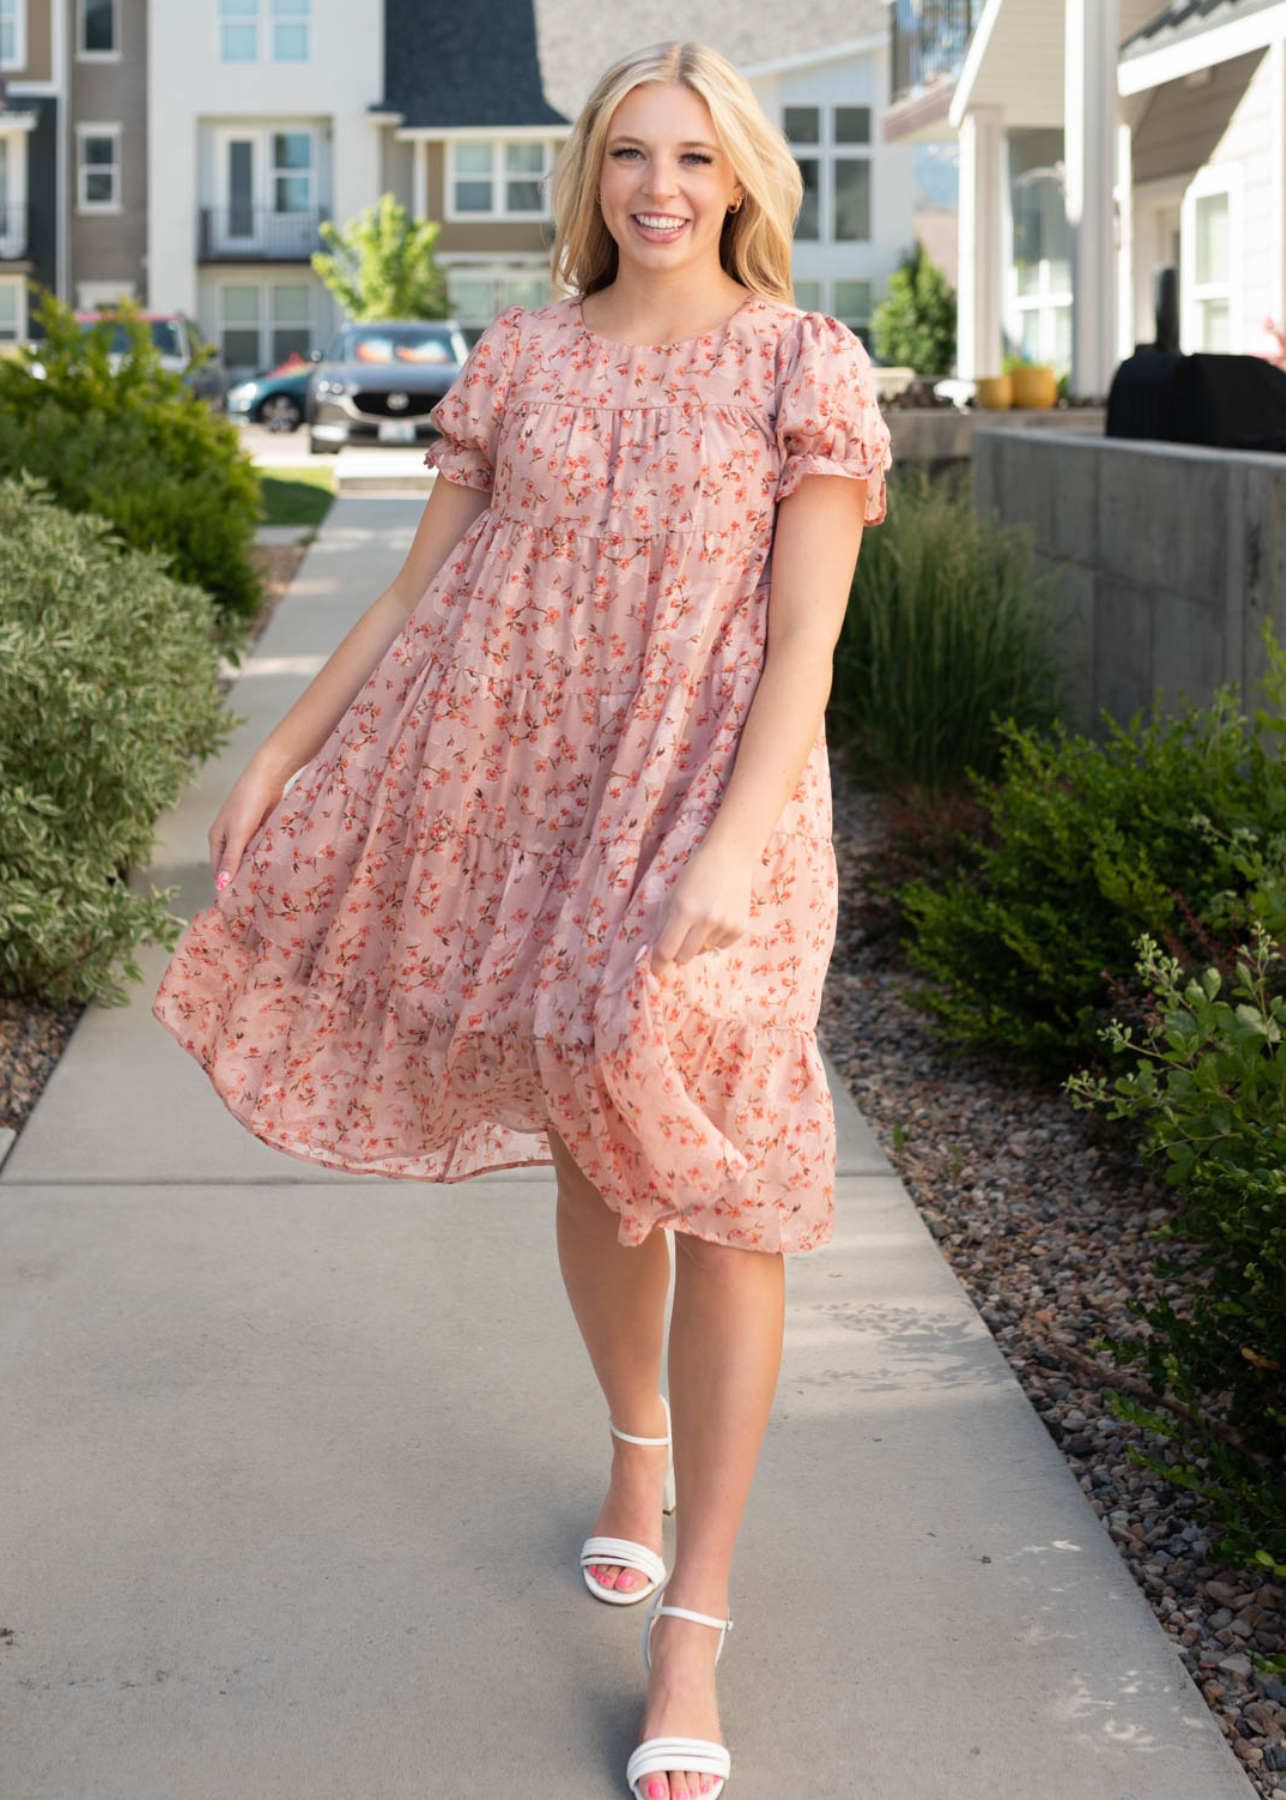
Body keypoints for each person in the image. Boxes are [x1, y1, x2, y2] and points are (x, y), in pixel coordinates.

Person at [151, 37, 891, 1800]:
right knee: (596, 1151)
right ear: (591, 176)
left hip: (727, 816)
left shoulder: (803, 362)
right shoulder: (522, 358)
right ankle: (630, 1446)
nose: (658, 189)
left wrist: (723, 846)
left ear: (741, 184)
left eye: (692, 161)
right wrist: (287, 748)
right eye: (629, 156)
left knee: (723, 1183)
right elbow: (426, 586)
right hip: (539, 801)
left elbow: (804, 642)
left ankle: (691, 1618)